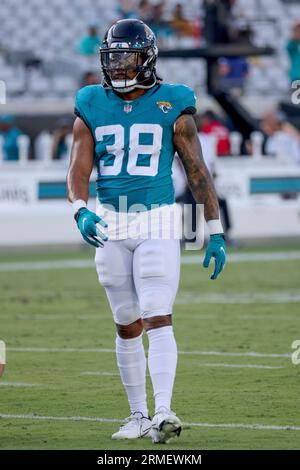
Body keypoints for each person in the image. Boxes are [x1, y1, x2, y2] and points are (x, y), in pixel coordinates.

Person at [67, 18, 226, 444]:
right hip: (109, 220)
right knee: (125, 323)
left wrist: (215, 229)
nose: (118, 67)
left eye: (127, 57)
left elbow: (196, 170)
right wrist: (80, 209)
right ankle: (137, 414)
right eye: (113, 58)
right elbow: (78, 167)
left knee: (158, 315)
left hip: (157, 217)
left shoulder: (173, 101)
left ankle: (163, 411)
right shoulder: (90, 102)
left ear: (148, 58)